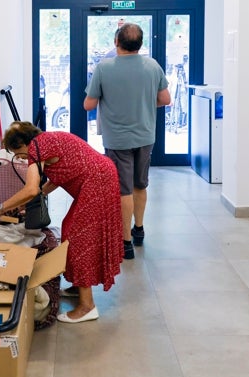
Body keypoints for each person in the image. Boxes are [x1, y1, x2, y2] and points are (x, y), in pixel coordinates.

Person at [0, 121, 123, 323]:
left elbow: (30, 189)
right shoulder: (46, 141)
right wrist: (32, 200)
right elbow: (58, 176)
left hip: (98, 181)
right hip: (101, 175)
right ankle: (80, 286)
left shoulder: (36, 149)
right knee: (70, 228)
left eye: (18, 153)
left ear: (23, 145)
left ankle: (87, 306)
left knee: (79, 235)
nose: (20, 158)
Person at [83, 23, 171, 260]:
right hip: (145, 136)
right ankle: (139, 230)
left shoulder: (104, 68)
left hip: (118, 139)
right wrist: (142, 103)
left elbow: (88, 105)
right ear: (140, 45)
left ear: (116, 42)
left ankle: (126, 243)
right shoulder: (153, 66)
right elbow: (165, 99)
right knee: (140, 184)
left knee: (123, 189)